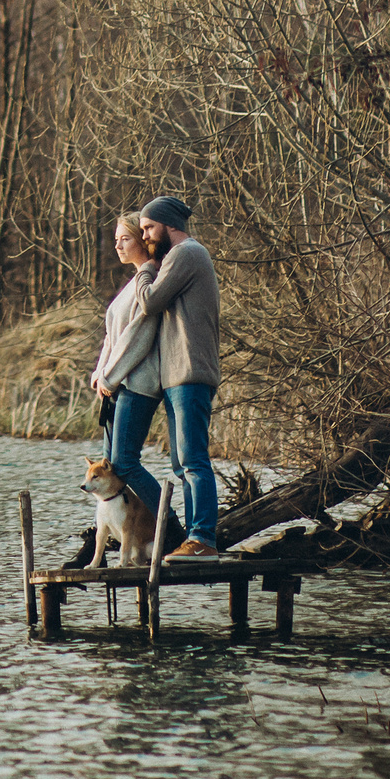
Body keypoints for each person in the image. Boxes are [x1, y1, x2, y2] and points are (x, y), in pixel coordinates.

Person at [98, 195, 224, 557]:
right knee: (181, 462)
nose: (146, 235)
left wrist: (145, 270)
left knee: (193, 460)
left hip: (190, 372)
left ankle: (201, 539)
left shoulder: (188, 253)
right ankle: (188, 536)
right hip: (174, 376)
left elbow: (150, 301)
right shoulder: (176, 257)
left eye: (149, 228)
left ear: (170, 225)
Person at [89, 213, 164, 551]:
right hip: (117, 386)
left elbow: (138, 337)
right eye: (117, 239)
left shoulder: (148, 281)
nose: (118, 244)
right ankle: (102, 543)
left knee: (124, 463)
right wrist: (100, 372)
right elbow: (111, 337)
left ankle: (168, 527)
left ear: (141, 240)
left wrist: (110, 375)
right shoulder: (130, 284)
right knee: (109, 474)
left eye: (125, 238)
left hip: (138, 384)